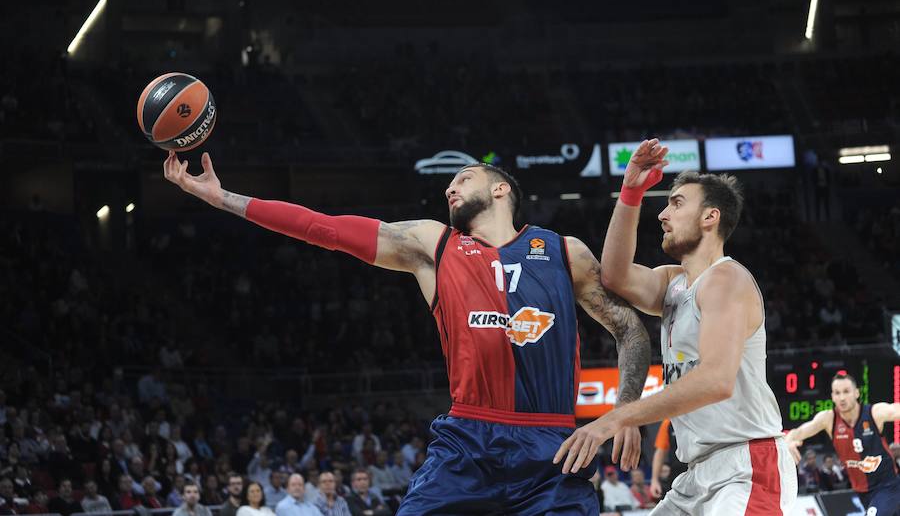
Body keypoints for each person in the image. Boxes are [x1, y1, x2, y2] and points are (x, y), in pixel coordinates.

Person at [163, 153, 652, 515]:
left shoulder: (565, 253)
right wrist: (223, 198)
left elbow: (629, 328)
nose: (450, 190)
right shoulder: (433, 245)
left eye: (463, 178)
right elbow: (324, 228)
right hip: (468, 443)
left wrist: (626, 411)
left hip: (553, 449)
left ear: (501, 190)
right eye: (448, 186)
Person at [555, 141, 797, 515]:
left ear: (710, 217)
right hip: (697, 474)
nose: (663, 215)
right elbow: (615, 275)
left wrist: (617, 417)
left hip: (747, 466)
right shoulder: (675, 282)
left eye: (677, 203)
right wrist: (631, 191)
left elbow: (716, 380)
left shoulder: (726, 279)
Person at [785, 373, 900, 514]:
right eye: (837, 393)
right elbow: (798, 432)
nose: (842, 398)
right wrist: (789, 441)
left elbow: (895, 409)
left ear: (857, 393)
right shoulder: (828, 419)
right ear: (832, 396)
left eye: (846, 391)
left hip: (888, 487)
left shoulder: (874, 413)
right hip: (862, 492)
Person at [649, 418, 685, 500]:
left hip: (699, 470)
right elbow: (660, 452)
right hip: (677, 475)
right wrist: (654, 480)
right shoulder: (668, 422)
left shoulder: (698, 417)